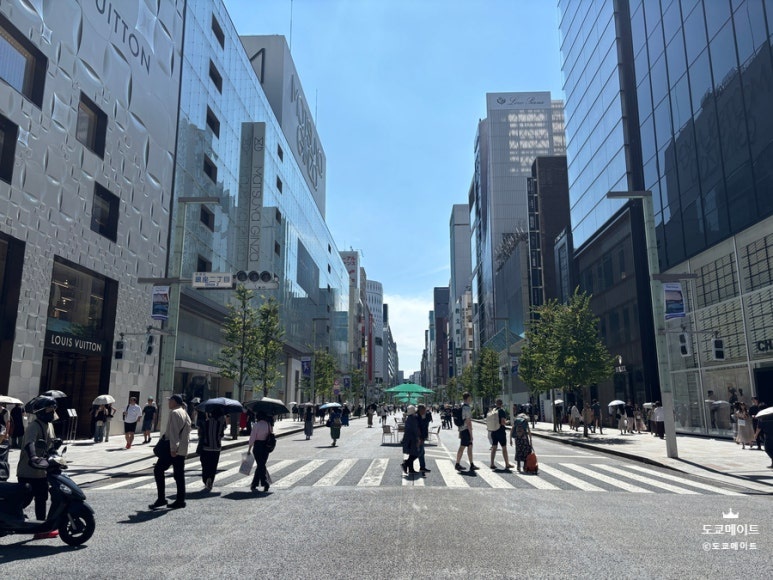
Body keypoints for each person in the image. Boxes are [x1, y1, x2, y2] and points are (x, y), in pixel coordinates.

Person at [17, 396, 58, 539]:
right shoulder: (34, 426)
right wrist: (33, 457)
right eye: (49, 409)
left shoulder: (49, 425)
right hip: (28, 470)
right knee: (24, 500)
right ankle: (7, 521)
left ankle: (41, 529)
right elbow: (30, 444)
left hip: (41, 470)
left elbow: (50, 444)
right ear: (41, 411)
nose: (52, 412)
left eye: (53, 409)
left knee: (42, 498)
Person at [149, 395, 191, 510]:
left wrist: (173, 449)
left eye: (169, 400)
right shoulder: (184, 412)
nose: (168, 402)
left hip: (172, 449)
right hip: (181, 448)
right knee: (179, 475)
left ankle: (161, 498)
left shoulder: (174, 413)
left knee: (158, 470)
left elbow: (173, 433)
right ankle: (180, 500)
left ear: (174, 401)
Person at [199, 407, 226, 491]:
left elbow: (200, 434)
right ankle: (211, 479)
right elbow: (221, 435)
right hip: (217, 447)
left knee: (205, 465)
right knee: (213, 465)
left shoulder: (205, 423)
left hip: (206, 447)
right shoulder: (220, 424)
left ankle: (206, 479)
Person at [248, 411, 274, 492]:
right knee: (261, 465)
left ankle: (265, 482)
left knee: (260, 465)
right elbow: (271, 433)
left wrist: (249, 449)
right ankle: (254, 484)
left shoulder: (256, 425)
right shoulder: (268, 424)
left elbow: (252, 437)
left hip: (258, 446)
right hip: (266, 446)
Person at [455, 392, 478, 472]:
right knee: (462, 447)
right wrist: (471, 434)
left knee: (469, 446)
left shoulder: (461, 406)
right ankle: (457, 464)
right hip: (466, 430)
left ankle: (471, 464)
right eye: (470, 398)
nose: (471, 399)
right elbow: (468, 422)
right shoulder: (467, 408)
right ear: (468, 398)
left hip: (462, 429)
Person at [487, 399, 513, 469]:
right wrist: (507, 422)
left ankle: (492, 463)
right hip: (500, 431)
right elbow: (502, 422)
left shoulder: (493, 410)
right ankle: (507, 464)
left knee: (494, 447)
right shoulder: (501, 411)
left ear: (496, 404)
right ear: (501, 404)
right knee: (504, 448)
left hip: (493, 431)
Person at [401, 405, 420, 474]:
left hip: (408, 438)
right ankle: (406, 463)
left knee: (412, 453)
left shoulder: (409, 418)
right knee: (416, 454)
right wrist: (418, 438)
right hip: (412, 439)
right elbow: (415, 429)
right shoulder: (413, 419)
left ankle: (411, 469)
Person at [417, 404, 432, 474]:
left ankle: (422, 467)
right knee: (420, 452)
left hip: (422, 436)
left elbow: (427, 422)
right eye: (424, 410)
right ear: (420, 410)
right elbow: (417, 428)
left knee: (421, 452)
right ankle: (406, 464)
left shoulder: (426, 416)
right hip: (418, 437)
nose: (425, 411)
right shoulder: (417, 417)